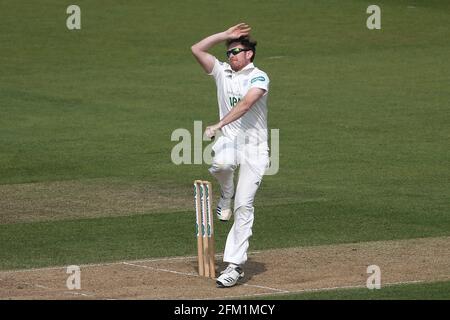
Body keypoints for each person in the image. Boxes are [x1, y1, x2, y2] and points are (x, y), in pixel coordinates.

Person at [191, 23, 270, 288]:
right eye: (229, 52)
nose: (232, 55)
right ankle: (225, 194)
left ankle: (234, 266)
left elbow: (247, 105)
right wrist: (224, 36)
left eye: (237, 51)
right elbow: (196, 49)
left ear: (250, 54)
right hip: (230, 142)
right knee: (222, 163)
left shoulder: (259, 77)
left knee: (244, 206)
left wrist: (218, 124)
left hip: (256, 149)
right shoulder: (221, 72)